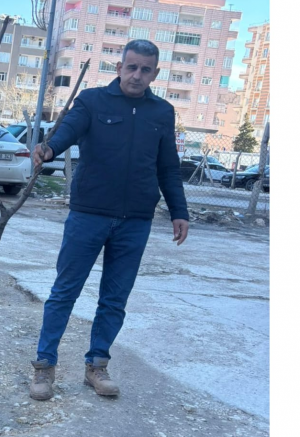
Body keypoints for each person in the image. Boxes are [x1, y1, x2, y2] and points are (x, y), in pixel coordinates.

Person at [28, 39, 190, 401]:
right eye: (131, 67)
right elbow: (68, 130)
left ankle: (97, 366)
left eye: (145, 69)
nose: (137, 75)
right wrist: (49, 149)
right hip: (88, 215)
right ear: (119, 68)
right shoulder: (92, 101)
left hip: (135, 221)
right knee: (64, 292)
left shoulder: (162, 112)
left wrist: (179, 212)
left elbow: (168, 167)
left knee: (115, 299)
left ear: (155, 74)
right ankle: (44, 367)